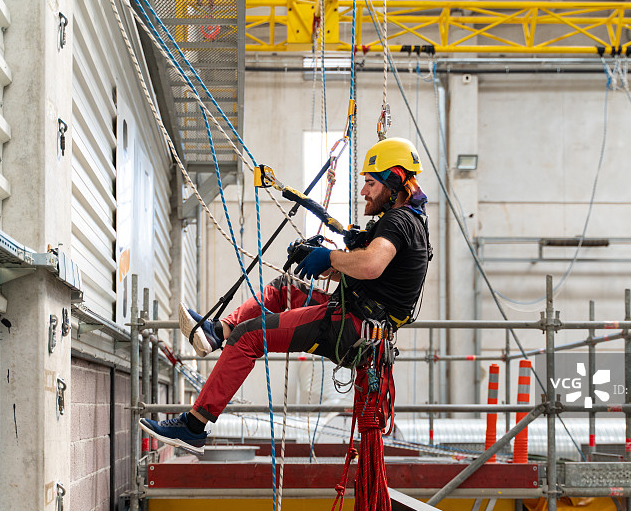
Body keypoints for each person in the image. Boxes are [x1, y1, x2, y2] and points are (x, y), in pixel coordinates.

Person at [139, 137, 431, 454]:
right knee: (283, 290)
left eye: (371, 183)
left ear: (393, 181)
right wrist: (318, 258)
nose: (364, 191)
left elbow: (372, 265)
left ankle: (193, 427)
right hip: (356, 316)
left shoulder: (399, 221)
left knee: (247, 337)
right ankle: (216, 332)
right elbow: (370, 272)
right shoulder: (406, 222)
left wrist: (329, 259)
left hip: (352, 325)